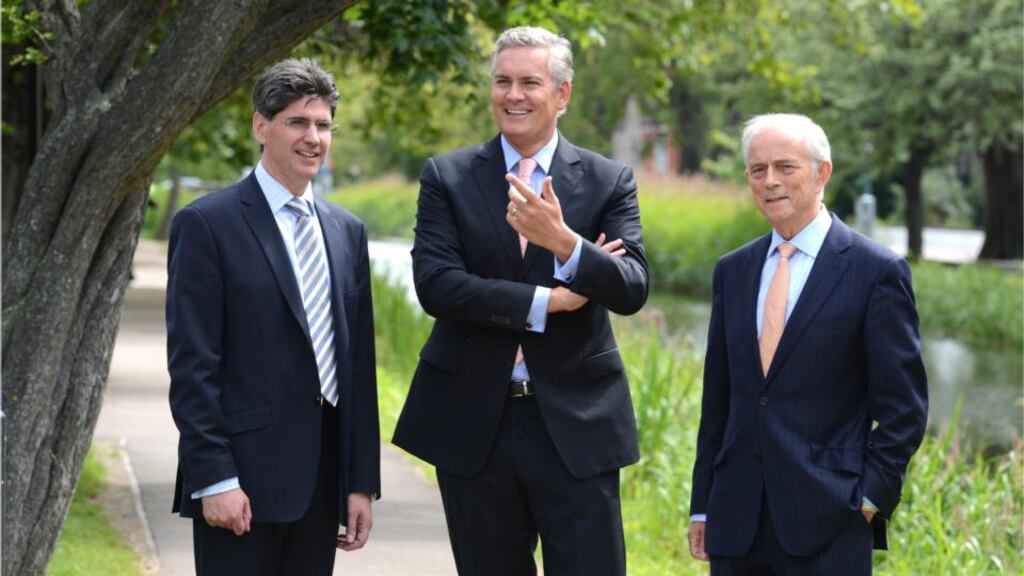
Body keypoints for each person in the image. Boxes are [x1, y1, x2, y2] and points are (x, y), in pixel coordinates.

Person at [392, 26, 649, 576]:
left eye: (530, 82)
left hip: (577, 424)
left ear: (562, 94)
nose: (513, 95)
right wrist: (546, 302)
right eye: (502, 81)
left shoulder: (608, 180)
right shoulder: (448, 175)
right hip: (473, 422)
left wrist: (565, 242)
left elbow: (630, 287)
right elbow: (437, 285)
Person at [687, 113, 928, 575]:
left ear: (822, 173)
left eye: (785, 167)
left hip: (829, 523)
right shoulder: (732, 271)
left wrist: (870, 499)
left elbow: (904, 409)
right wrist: (703, 504)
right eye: (758, 170)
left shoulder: (876, 272)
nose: (770, 180)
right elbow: (718, 402)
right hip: (737, 521)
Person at [167, 58, 380, 576]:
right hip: (241, 483)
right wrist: (214, 478)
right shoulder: (206, 225)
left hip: (321, 484)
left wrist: (359, 482)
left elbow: (357, 367)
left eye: (323, 125)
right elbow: (193, 366)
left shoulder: (346, 231)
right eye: (297, 122)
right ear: (261, 127)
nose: (313, 138)